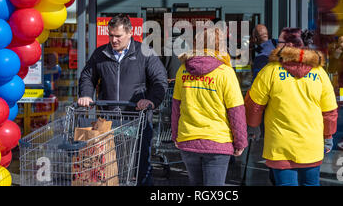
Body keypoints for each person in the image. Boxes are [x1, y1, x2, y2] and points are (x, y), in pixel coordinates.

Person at [78, 14, 168, 186]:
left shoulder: (145, 53)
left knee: (140, 167)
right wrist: (86, 94)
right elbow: (87, 77)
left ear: (129, 33)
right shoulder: (100, 54)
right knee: (110, 169)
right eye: (111, 35)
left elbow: (159, 81)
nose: (114, 40)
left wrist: (150, 101)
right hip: (109, 121)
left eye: (118, 36)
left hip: (137, 121)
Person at [245, 27, 338, 186]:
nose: (275, 45)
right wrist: (328, 136)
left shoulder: (270, 71)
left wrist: (253, 127)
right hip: (311, 146)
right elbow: (329, 111)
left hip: (280, 147)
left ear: (287, 45)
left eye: (279, 42)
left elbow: (254, 104)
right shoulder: (319, 73)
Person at [171, 26, 248, 186]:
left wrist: (175, 135)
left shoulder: (183, 70)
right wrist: (240, 142)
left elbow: (176, 107)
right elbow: (236, 110)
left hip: (189, 139)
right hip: (217, 142)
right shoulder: (225, 72)